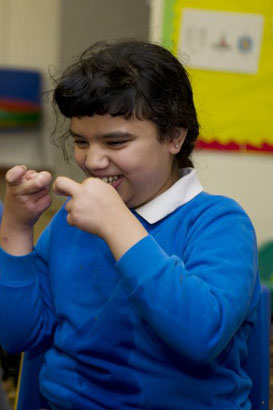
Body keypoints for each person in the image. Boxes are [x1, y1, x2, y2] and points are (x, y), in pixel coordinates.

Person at [0, 40, 260, 409]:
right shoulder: (73, 220)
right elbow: (18, 335)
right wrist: (17, 228)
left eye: (116, 142)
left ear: (174, 136)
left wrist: (117, 225)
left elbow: (202, 335)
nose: (93, 160)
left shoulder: (219, 223)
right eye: (80, 141)